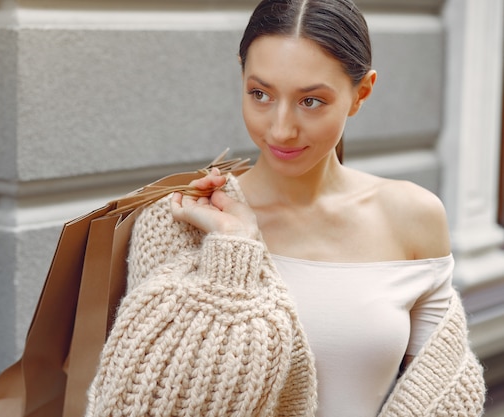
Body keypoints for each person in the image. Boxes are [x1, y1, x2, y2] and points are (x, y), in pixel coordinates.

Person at [86, 0, 486, 416]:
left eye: (310, 101)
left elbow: (446, 394)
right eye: (260, 94)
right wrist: (233, 253)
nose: (280, 128)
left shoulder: (412, 216)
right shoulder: (181, 221)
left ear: (360, 94)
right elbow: (145, 401)